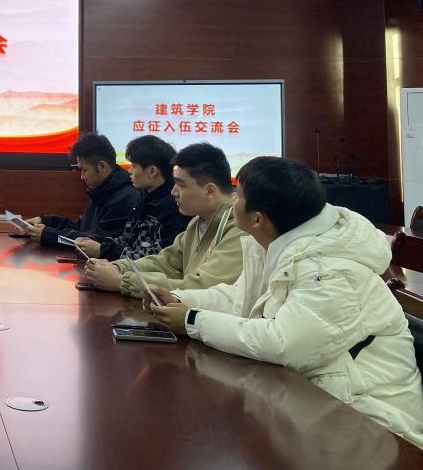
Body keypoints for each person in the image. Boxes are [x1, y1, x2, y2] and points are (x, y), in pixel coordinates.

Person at [147, 156, 423, 449]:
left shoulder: (332, 270)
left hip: (374, 425)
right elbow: (239, 297)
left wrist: (192, 320)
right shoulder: (274, 244)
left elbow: (285, 344)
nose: (232, 201)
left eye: (238, 195)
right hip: (314, 403)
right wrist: (181, 299)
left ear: (258, 218)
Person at [82, 142, 243, 296]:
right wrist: (118, 267)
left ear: (210, 191)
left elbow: (202, 287)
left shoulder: (240, 229)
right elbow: (165, 261)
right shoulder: (199, 221)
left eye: (181, 185)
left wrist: (122, 282)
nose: (173, 192)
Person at [74, 135, 188, 260]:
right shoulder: (143, 198)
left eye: (133, 166)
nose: (129, 171)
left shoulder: (174, 206)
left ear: (152, 171)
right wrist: (95, 241)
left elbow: (157, 258)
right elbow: (127, 240)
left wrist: (103, 250)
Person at [24, 133, 140, 247]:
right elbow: (81, 227)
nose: (82, 177)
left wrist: (48, 235)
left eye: (84, 170)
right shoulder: (103, 190)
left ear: (102, 166)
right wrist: (44, 221)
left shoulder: (125, 198)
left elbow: (96, 241)